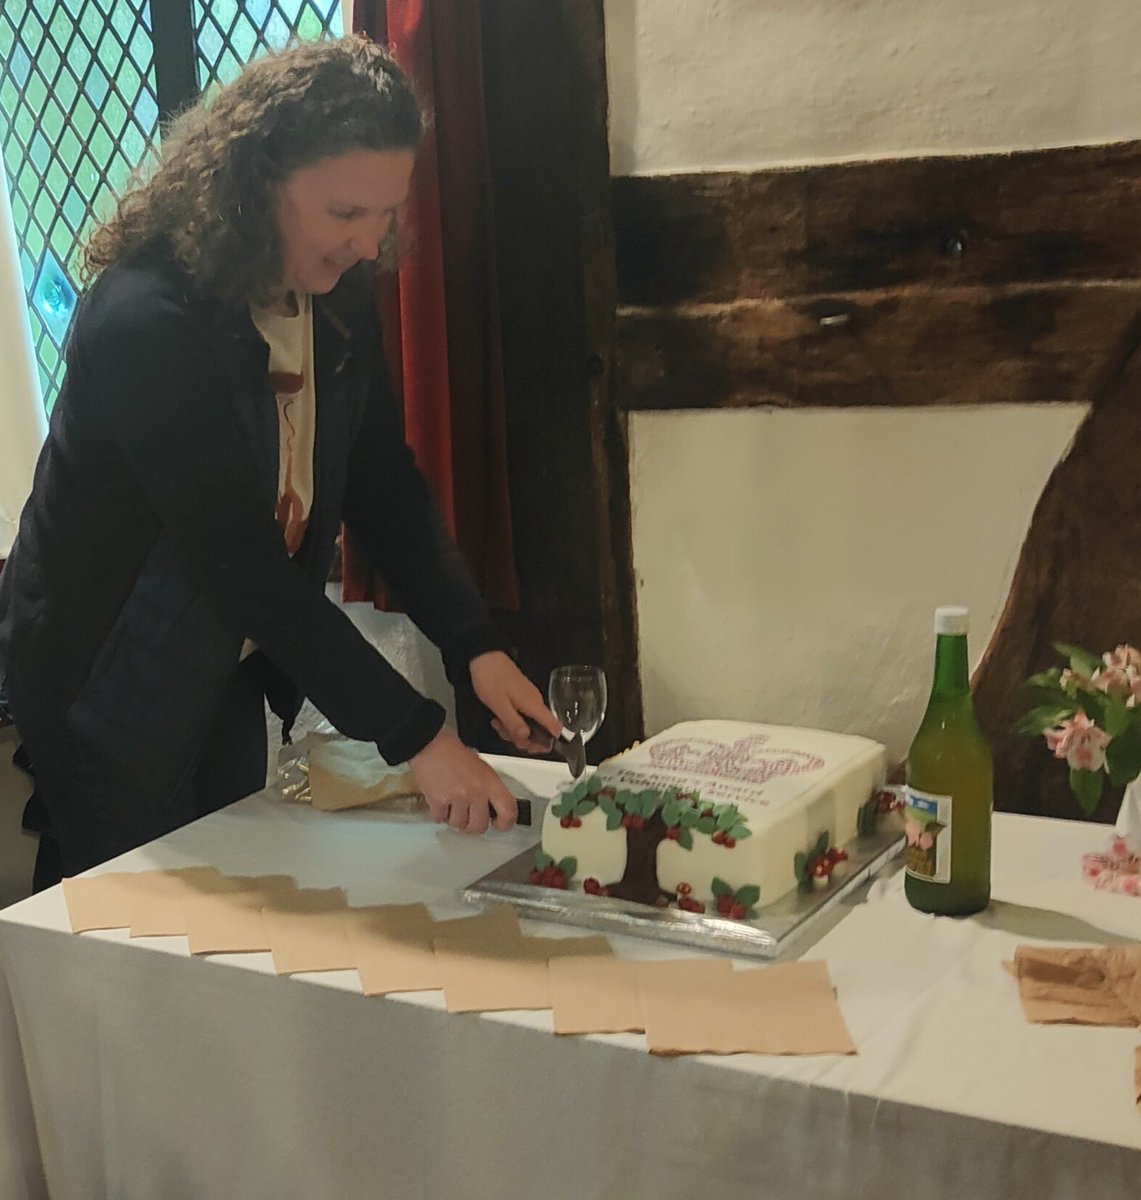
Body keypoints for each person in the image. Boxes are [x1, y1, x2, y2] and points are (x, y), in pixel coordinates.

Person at [0, 36, 562, 890]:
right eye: (345, 213)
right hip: (102, 670)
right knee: (126, 918)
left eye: (385, 214)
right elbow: (237, 561)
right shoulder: (146, 317)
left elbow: (382, 483)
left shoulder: (330, 296)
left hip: (216, 653)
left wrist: (470, 644)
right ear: (257, 182)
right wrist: (416, 737)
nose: (370, 245)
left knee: (219, 895)